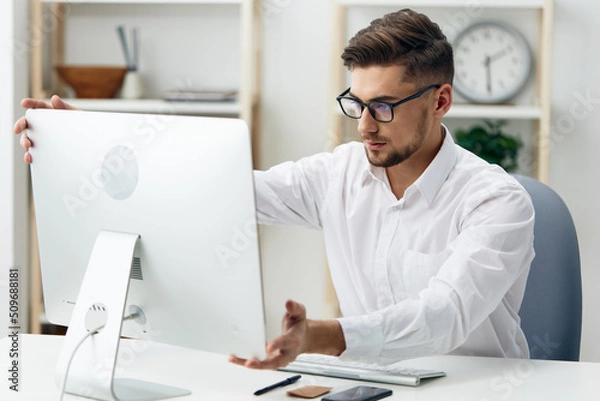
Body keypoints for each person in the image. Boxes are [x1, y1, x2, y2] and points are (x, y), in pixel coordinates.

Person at [14, 9, 534, 370]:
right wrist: (89, 140)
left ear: (440, 100)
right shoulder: (340, 174)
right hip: (372, 386)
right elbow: (219, 188)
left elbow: (443, 317)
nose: (364, 125)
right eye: (356, 103)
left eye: (384, 106)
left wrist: (320, 337)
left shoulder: (496, 202)